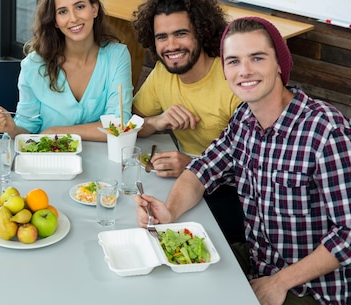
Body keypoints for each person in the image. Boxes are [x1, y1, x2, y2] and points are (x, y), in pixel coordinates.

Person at [135, 16, 351, 305]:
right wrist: (169, 212)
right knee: (163, 281)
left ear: (279, 64)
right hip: (258, 264)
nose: (244, 71)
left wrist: (279, 282)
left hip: (310, 290)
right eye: (233, 61)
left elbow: (348, 234)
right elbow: (201, 170)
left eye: (257, 58)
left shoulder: (325, 130)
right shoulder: (244, 119)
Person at [131, 0, 244, 243]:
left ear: (202, 33)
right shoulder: (162, 74)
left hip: (232, 193)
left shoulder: (232, 80)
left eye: (181, 34)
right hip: (186, 181)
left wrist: (192, 163)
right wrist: (157, 122)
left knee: (175, 239)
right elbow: (131, 125)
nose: (171, 46)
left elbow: (253, 165)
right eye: (162, 37)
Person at [0, 0, 133, 141]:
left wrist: (56, 131)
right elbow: (26, 130)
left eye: (80, 7)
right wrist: (11, 128)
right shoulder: (33, 66)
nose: (74, 18)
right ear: (55, 21)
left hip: (100, 161)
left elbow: (119, 125)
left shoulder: (118, 56)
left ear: (94, 9)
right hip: (48, 162)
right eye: (63, 11)